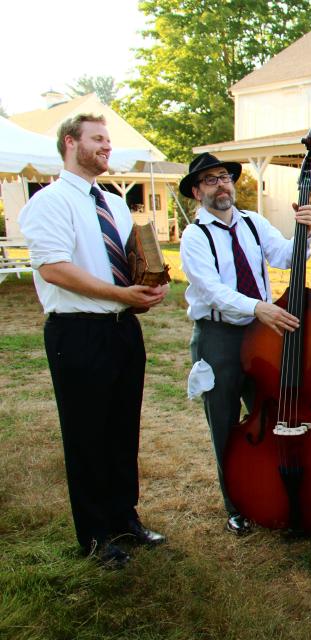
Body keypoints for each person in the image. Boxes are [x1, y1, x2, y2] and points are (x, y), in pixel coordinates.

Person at [19, 114, 169, 568]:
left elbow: (125, 261)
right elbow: (54, 269)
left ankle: (125, 519)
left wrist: (144, 291)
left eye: (108, 139)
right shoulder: (50, 202)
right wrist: (119, 293)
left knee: (122, 431)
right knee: (87, 436)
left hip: (124, 329)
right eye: (98, 138)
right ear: (70, 143)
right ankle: (95, 536)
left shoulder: (114, 203)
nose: (107, 146)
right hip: (79, 331)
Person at [179, 152, 311, 536]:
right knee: (224, 424)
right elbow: (213, 290)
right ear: (196, 191)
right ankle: (236, 505)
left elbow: (289, 258)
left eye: (225, 177)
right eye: (211, 180)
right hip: (219, 338)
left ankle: (273, 494)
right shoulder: (194, 236)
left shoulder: (253, 224)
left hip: (259, 334)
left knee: (268, 417)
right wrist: (260, 308)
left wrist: (304, 228)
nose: (222, 185)